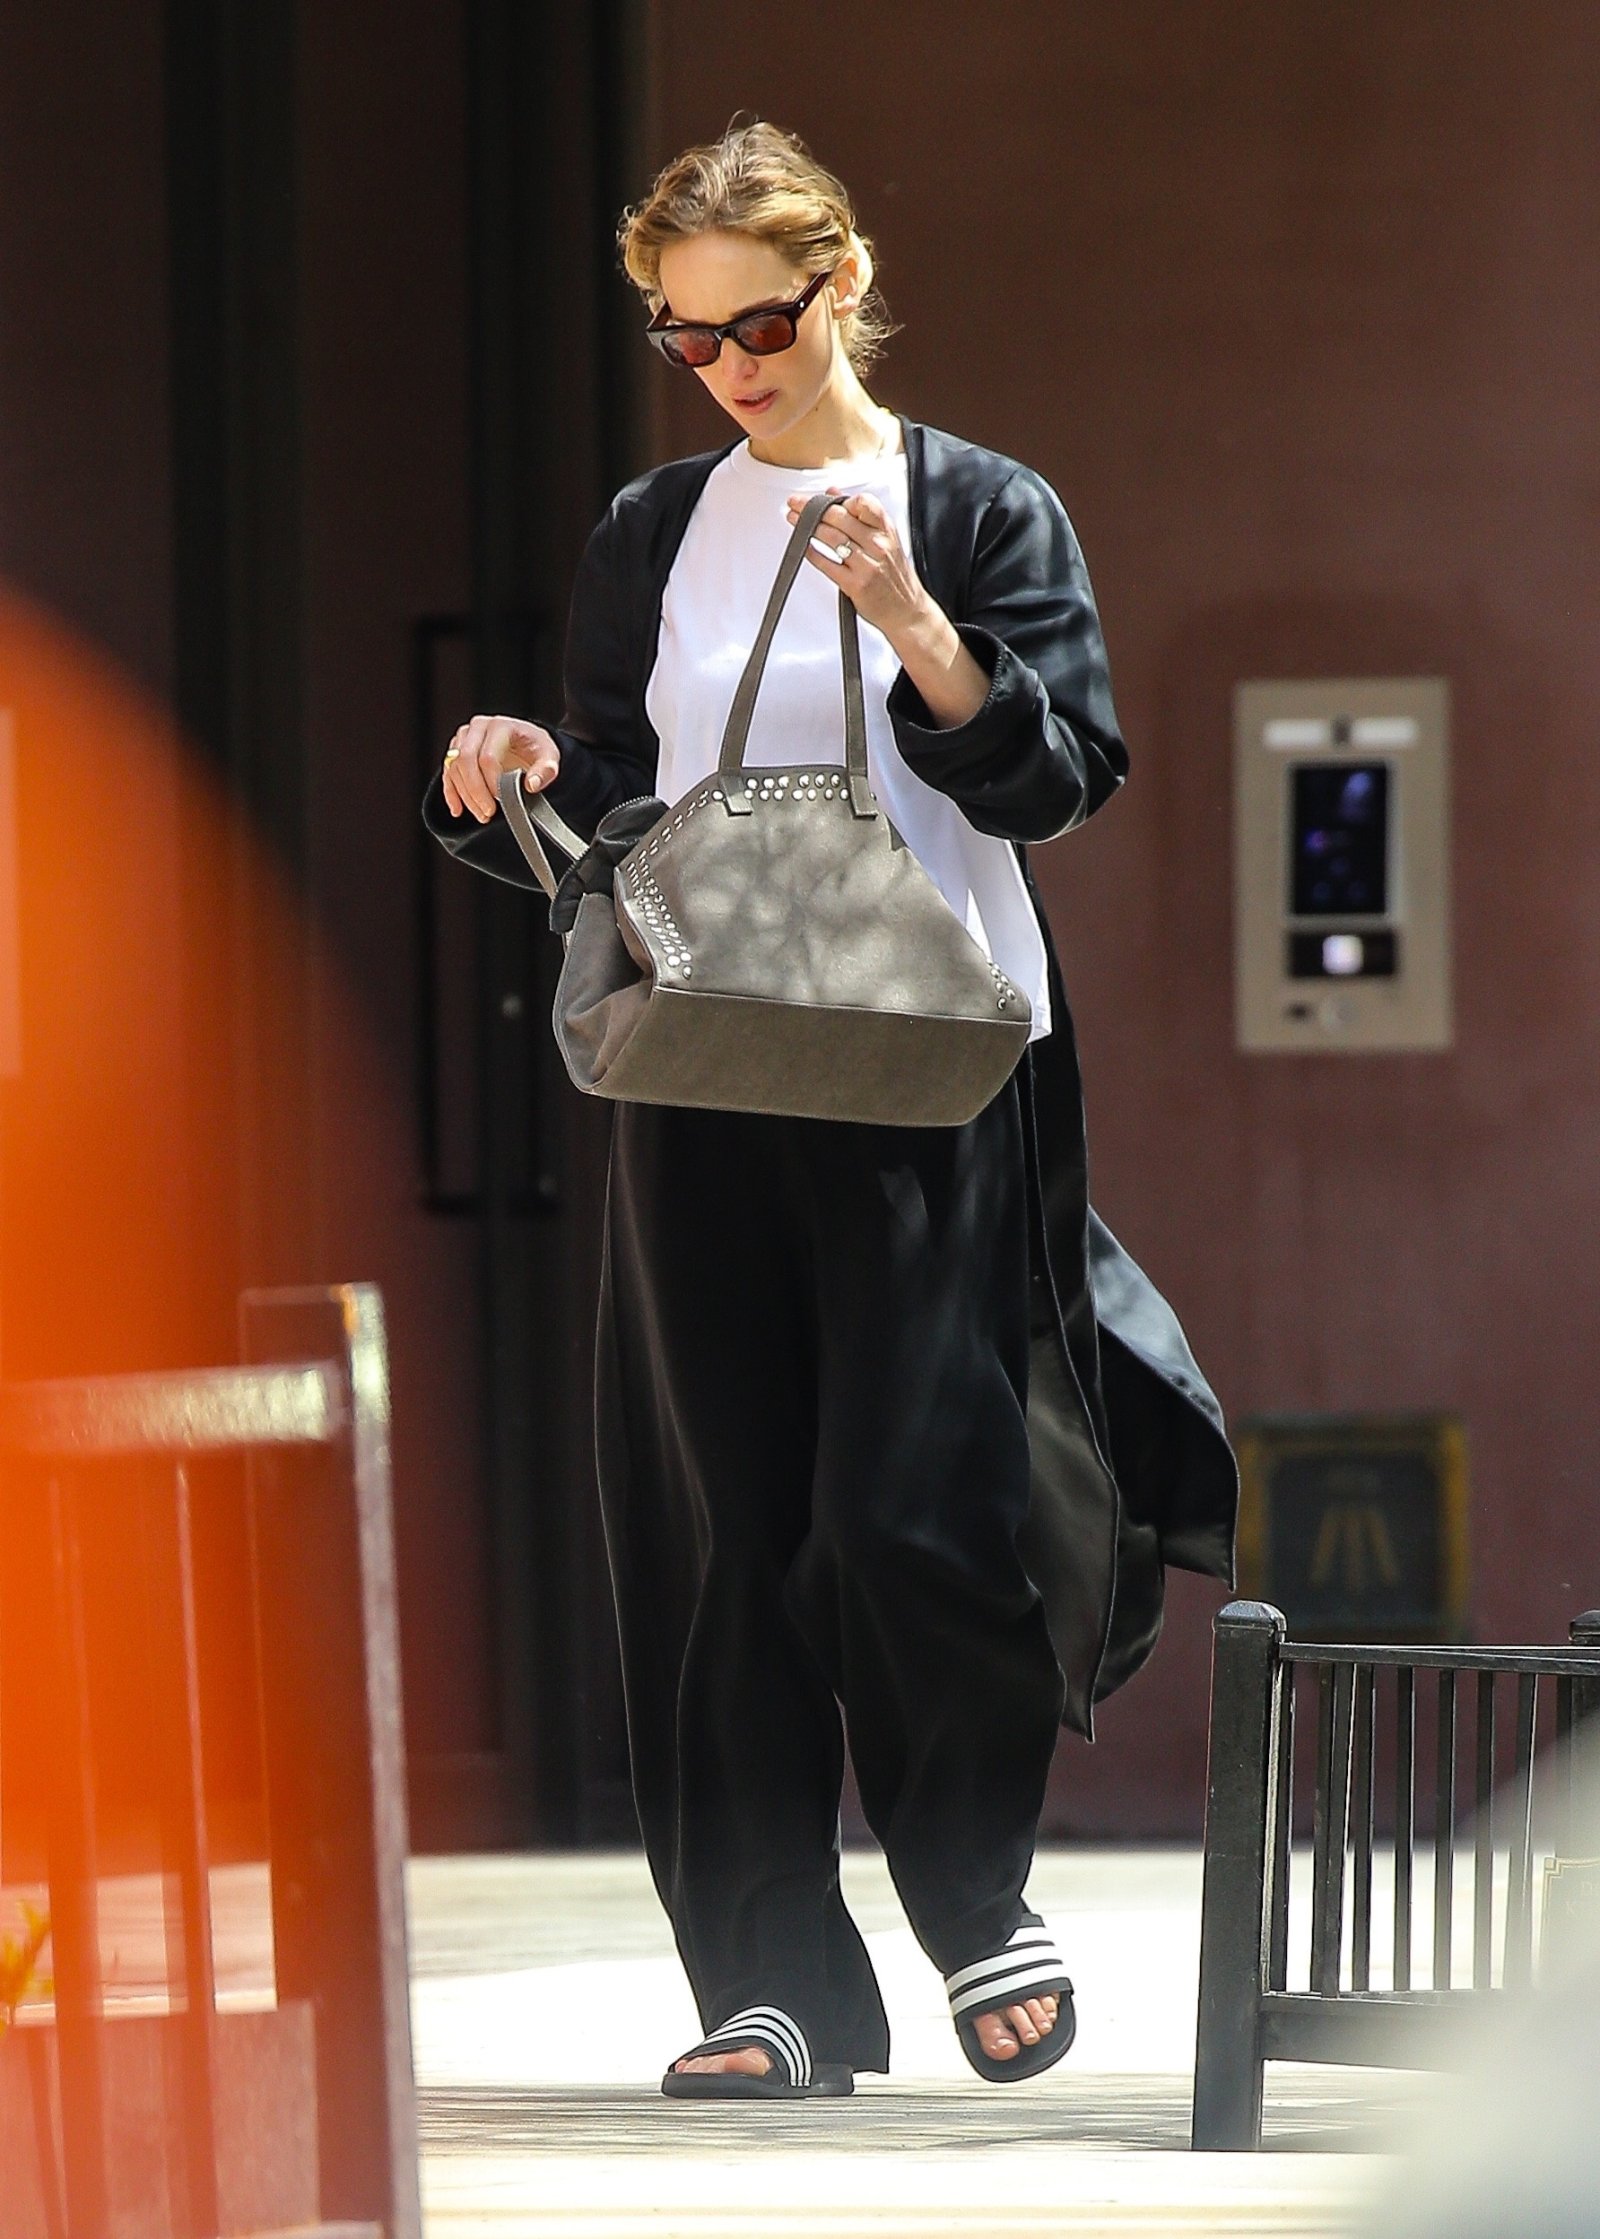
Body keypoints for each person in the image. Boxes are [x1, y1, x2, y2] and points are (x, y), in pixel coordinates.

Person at [424, 118, 1237, 2099]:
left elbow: (1059, 781)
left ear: (841, 286)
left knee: (910, 1494)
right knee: (723, 1523)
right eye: (686, 339)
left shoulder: (973, 508)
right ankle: (767, 1983)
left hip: (934, 1060)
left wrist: (913, 631)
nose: (731, 368)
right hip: (708, 1058)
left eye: (761, 324)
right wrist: (525, 758)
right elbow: (618, 795)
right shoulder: (652, 532)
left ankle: (975, 1903)